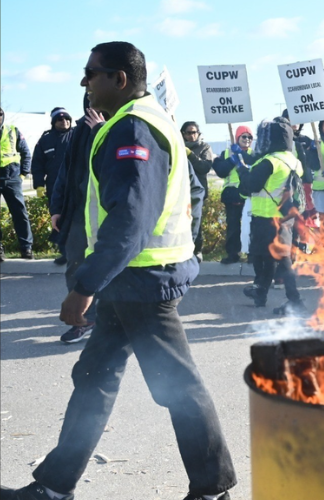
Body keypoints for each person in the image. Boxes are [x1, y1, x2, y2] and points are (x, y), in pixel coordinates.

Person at [0, 42, 237, 500]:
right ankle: (54, 485)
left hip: (144, 283)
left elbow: (130, 219)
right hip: (132, 280)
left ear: (119, 79)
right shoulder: (135, 122)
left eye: (91, 73)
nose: (85, 82)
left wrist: (85, 286)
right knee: (95, 379)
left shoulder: (133, 128)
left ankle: (212, 489)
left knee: (178, 388)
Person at [49, 94, 106, 344]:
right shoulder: (79, 128)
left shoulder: (121, 123)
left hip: (106, 213)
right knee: (75, 265)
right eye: (89, 98)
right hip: (78, 213)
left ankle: (108, 319)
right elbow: (66, 170)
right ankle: (86, 319)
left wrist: (101, 131)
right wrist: (57, 207)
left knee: (107, 266)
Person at [239, 117, 305, 315]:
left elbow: (250, 186)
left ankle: (295, 300)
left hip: (266, 217)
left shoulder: (269, 161)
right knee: (269, 258)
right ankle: (261, 293)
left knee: (278, 260)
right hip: (285, 217)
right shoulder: (293, 160)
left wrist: (240, 167)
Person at [31, 107, 75, 264]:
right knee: (59, 220)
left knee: (76, 219)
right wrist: (39, 185)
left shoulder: (77, 135)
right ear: (53, 122)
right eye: (60, 119)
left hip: (75, 184)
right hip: (54, 187)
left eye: (67, 119)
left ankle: (76, 252)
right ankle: (64, 252)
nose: (64, 121)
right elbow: (37, 164)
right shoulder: (45, 140)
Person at [212, 125, 257, 264]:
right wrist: (232, 160)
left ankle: (252, 254)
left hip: (249, 195)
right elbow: (220, 171)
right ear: (237, 138)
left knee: (251, 226)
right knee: (233, 226)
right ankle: (233, 253)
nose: (247, 139)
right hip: (232, 194)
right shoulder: (227, 153)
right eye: (244, 136)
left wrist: (242, 156)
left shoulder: (255, 154)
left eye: (250, 137)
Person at [0, 106, 34, 260]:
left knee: (20, 213)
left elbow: (26, 152)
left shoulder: (12, 130)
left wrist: (23, 174)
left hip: (12, 177)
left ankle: (26, 248)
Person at [180, 121, 213, 260]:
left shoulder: (204, 147)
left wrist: (190, 155)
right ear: (183, 134)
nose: (192, 135)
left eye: (194, 132)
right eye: (189, 132)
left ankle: (196, 250)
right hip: (181, 190)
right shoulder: (178, 146)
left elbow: (204, 167)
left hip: (197, 191)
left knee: (196, 222)